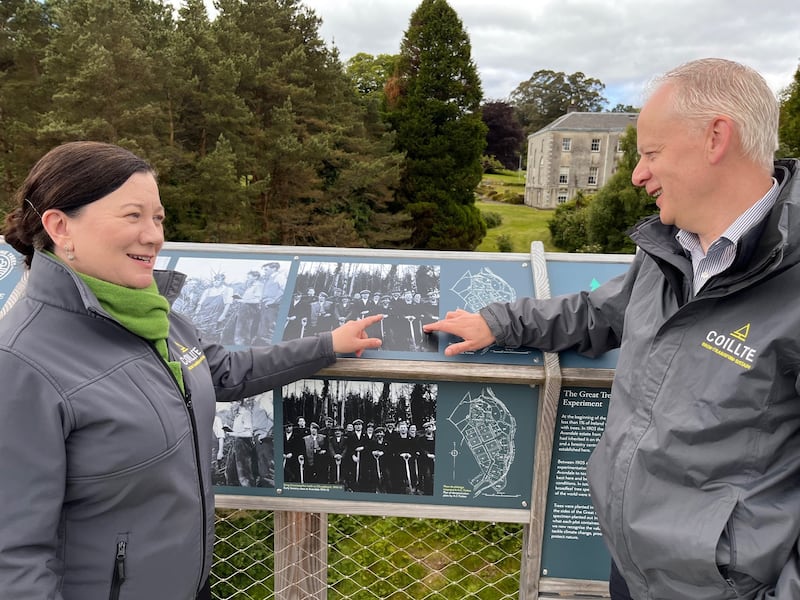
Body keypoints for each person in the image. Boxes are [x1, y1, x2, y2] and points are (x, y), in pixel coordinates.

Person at [424, 58, 800, 600]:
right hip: (632, 566)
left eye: (651, 153)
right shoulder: (673, 250)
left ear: (717, 137)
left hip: (722, 588)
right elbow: (597, 314)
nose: (638, 174)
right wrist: (496, 321)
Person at [0, 141, 383, 600]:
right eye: (132, 216)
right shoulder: (22, 364)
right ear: (60, 226)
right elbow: (14, 557)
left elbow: (221, 370)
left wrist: (326, 345)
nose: (154, 235)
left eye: (158, 218)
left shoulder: (155, 317)